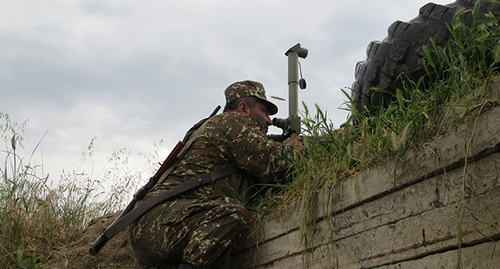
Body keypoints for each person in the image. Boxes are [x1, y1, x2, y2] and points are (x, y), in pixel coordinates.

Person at [129, 80, 303, 269]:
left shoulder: (205, 127)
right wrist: (296, 150)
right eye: (264, 112)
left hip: (157, 222)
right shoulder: (232, 121)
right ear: (243, 108)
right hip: (162, 220)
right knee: (232, 213)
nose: (269, 121)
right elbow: (273, 163)